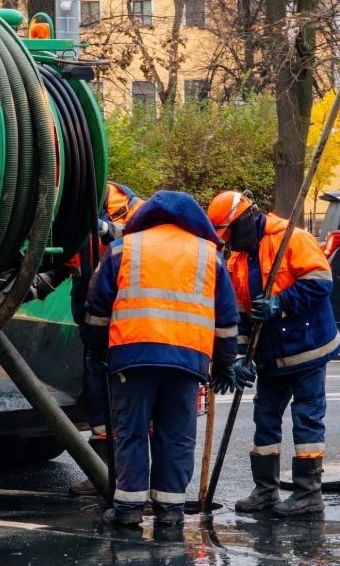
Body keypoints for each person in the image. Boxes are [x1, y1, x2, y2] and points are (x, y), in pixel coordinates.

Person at [82, 190, 241, 526]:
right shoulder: (208, 255)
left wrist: (98, 351)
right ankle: (170, 511)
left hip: (132, 358)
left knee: (132, 432)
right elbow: (226, 320)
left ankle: (128, 509)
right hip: (187, 362)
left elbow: (97, 310)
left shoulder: (123, 249)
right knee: (177, 435)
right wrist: (226, 364)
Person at [206, 190, 340, 516]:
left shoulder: (291, 239)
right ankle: (265, 491)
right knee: (265, 417)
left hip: (306, 348)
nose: (228, 243)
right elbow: (239, 315)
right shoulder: (237, 260)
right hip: (269, 356)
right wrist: (239, 358)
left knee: (306, 418)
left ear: (245, 221)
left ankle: (309, 493)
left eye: (229, 234)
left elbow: (320, 281)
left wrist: (281, 303)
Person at [26, 182, 144, 496]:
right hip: (93, 331)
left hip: (126, 332)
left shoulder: (135, 211)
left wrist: (108, 229)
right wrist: (25, 290)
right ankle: (101, 474)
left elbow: (141, 244)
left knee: (129, 405)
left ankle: (136, 482)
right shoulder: (75, 217)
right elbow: (66, 267)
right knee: (99, 407)